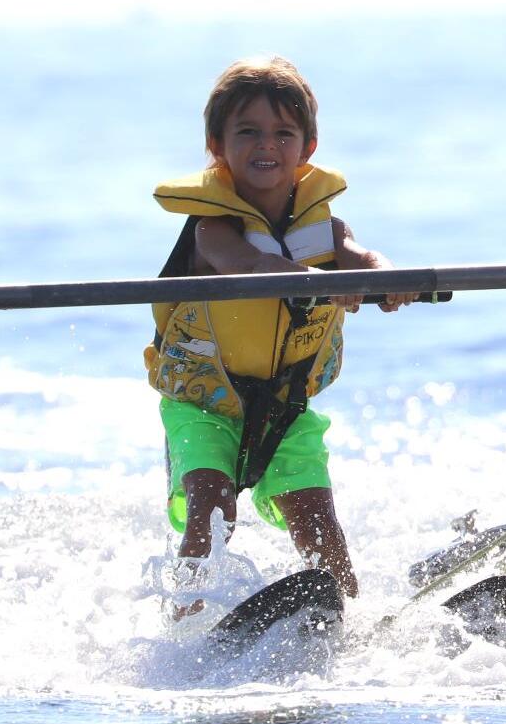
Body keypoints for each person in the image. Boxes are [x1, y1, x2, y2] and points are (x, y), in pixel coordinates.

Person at [144, 56, 408, 607]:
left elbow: (363, 257)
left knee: (318, 521)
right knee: (212, 509)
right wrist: (318, 282)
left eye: (283, 133)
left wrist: (385, 278)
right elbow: (250, 266)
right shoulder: (212, 229)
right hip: (203, 403)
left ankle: (350, 618)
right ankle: (186, 621)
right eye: (248, 132)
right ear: (217, 146)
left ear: (307, 148)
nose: (266, 144)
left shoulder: (327, 229)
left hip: (284, 406)